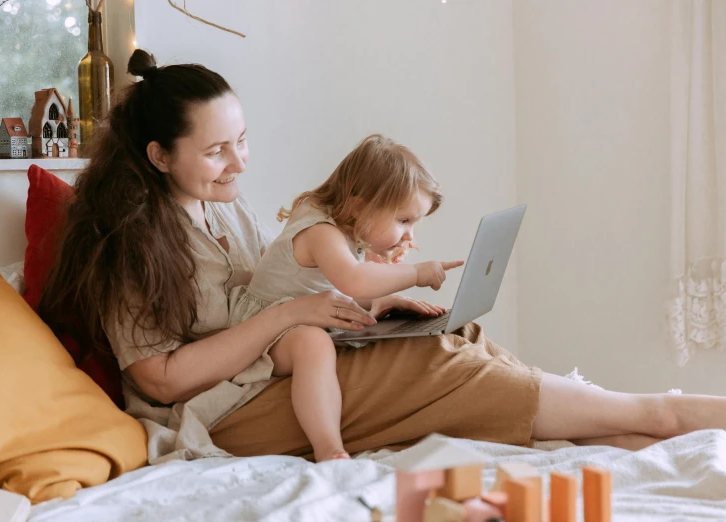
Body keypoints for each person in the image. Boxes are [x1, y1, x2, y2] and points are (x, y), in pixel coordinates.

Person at [41, 49, 726, 465]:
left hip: (281, 366)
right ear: (159, 156)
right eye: (217, 150)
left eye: (242, 139)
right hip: (224, 411)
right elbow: (160, 380)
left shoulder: (224, 206)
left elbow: (273, 297)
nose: (238, 161)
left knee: (449, 336)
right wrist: (293, 316)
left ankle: (613, 424)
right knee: (434, 363)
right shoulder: (128, 244)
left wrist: (362, 303)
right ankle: (654, 413)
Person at [227, 134, 462, 461]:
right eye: (403, 220)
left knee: (366, 326)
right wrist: (417, 273)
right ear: (359, 205)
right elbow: (353, 280)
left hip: (301, 317)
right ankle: (329, 447)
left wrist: (390, 295)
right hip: (261, 334)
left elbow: (344, 283)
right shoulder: (320, 231)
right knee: (313, 344)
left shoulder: (345, 225)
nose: (410, 233)